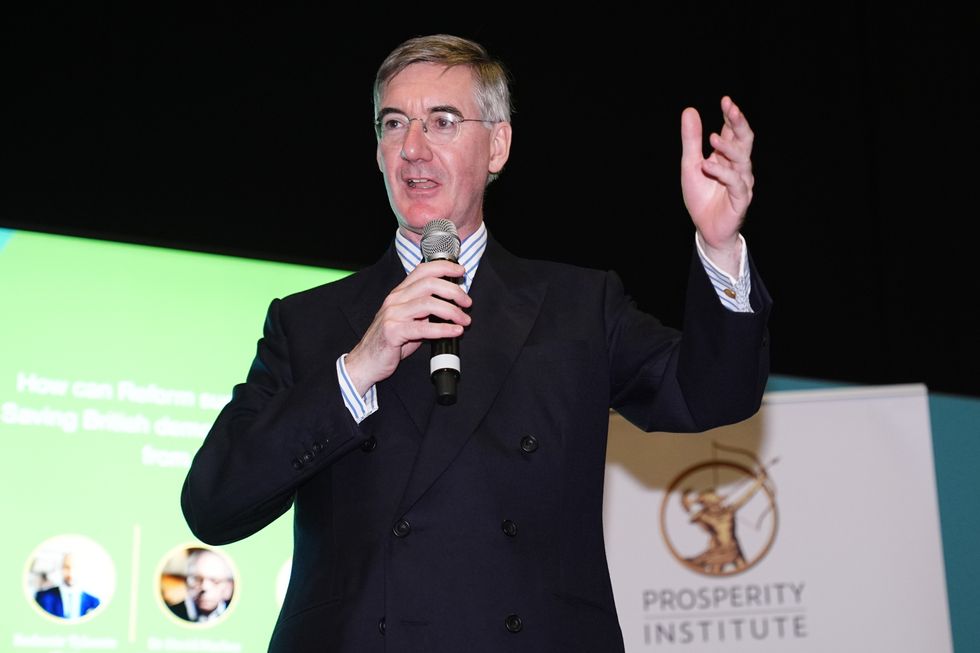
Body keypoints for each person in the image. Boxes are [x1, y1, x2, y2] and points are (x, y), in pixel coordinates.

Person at [181, 34, 770, 652]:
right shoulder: (308, 324)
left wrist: (720, 247)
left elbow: (712, 396)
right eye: (394, 123)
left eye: (442, 121)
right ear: (378, 151)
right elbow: (214, 504)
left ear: (498, 145)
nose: (413, 148)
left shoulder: (577, 307)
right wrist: (355, 371)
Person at [166, 548, 235, 623]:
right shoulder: (170, 613)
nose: (204, 587)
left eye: (214, 580)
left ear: (229, 587)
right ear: (186, 581)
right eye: (196, 579)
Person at [34, 553, 101, 619]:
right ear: (61, 568)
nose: (71, 572)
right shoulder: (43, 598)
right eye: (67, 567)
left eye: (76, 567)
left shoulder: (94, 603)